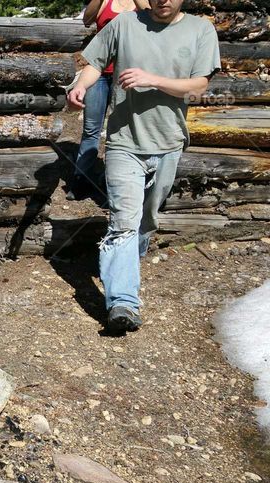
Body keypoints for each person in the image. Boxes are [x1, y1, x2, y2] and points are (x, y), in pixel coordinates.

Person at [67, 0, 221, 332]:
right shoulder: (124, 24)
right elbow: (94, 62)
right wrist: (81, 85)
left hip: (168, 142)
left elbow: (199, 85)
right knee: (123, 221)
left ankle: (128, 266)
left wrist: (152, 79)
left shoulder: (200, 29)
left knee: (146, 220)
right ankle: (123, 302)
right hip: (124, 141)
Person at [67, 0, 149, 201]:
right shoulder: (106, 2)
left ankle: (113, 181)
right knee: (91, 128)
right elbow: (87, 20)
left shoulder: (143, 3)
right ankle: (81, 179)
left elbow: (150, 15)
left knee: (122, 129)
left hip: (127, 74)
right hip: (98, 72)